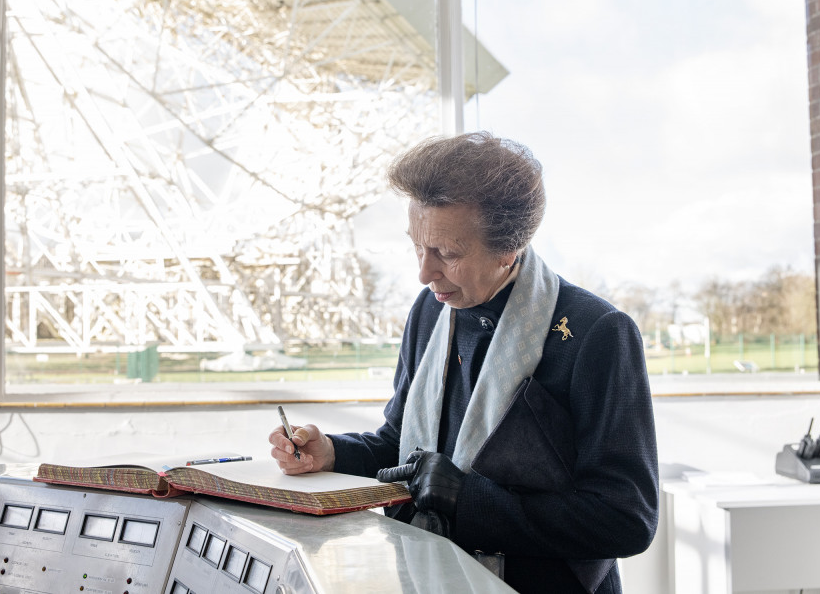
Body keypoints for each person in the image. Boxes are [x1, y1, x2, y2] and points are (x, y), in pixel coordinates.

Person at [268, 132, 659, 594]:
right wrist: (334, 452)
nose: (424, 272)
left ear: (508, 250)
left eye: (447, 254)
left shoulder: (597, 333)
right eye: (417, 245)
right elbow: (405, 449)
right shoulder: (431, 307)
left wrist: (469, 501)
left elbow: (626, 518)